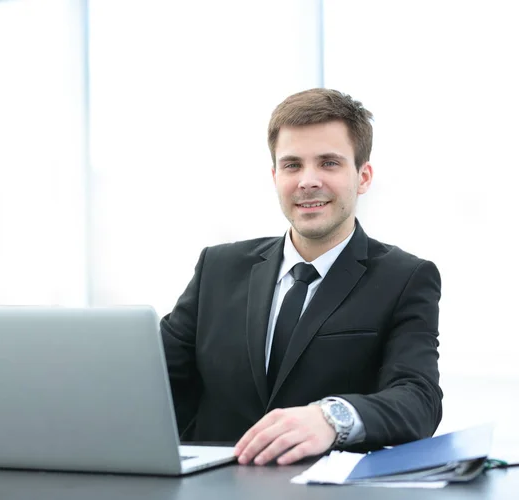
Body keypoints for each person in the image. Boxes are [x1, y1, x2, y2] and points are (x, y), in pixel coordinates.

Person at [160, 88, 443, 466]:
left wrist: (332, 416)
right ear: (275, 175)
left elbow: (419, 399)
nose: (308, 181)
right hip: (213, 488)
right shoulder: (218, 268)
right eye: (292, 165)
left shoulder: (406, 278)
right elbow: (153, 379)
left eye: (328, 163)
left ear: (363, 176)